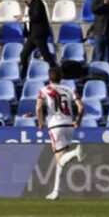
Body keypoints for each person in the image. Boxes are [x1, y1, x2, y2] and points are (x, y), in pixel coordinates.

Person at [37, 67, 85, 200]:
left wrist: (40, 121)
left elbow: (39, 107)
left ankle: (76, 153)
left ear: (49, 78)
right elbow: (81, 106)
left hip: (55, 125)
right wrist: (78, 121)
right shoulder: (69, 89)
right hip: (69, 125)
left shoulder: (44, 90)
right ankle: (56, 191)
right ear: (61, 78)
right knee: (61, 161)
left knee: (60, 159)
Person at [19, 0, 57, 80]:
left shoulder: (38, 3)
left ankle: (56, 72)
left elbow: (36, 17)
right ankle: (24, 74)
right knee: (23, 54)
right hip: (32, 35)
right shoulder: (31, 4)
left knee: (46, 55)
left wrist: (24, 18)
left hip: (39, 35)